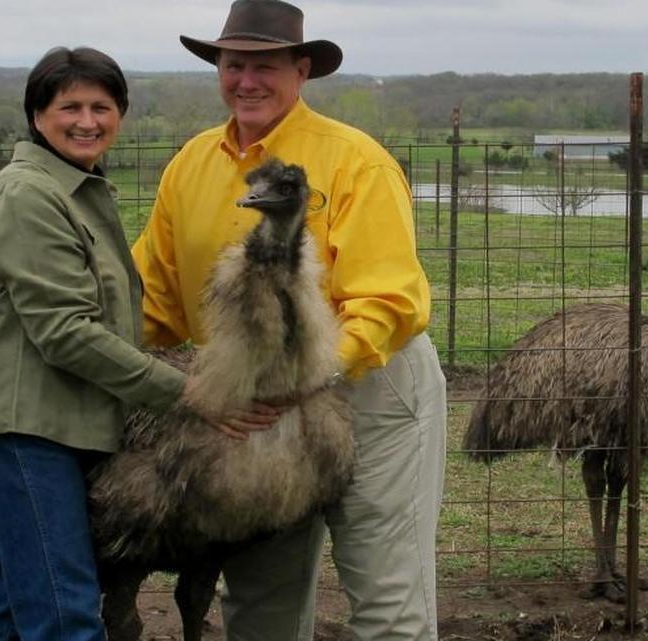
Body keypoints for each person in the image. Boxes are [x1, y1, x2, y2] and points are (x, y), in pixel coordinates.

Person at [132, 1, 448, 639]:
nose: (246, 79)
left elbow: (389, 299)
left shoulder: (355, 160)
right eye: (233, 63)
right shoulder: (191, 166)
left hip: (365, 384)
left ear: (301, 70)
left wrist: (307, 374)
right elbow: (154, 298)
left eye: (265, 65)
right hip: (252, 400)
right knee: (260, 602)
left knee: (386, 598)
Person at [0, 46, 276, 641]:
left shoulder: (77, 191)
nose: (87, 121)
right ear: (37, 114)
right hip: (23, 426)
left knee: (7, 608)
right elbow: (67, 332)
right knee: (64, 608)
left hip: (59, 423)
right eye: (69, 106)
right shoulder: (28, 196)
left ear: (121, 113)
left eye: (102, 106)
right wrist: (191, 392)